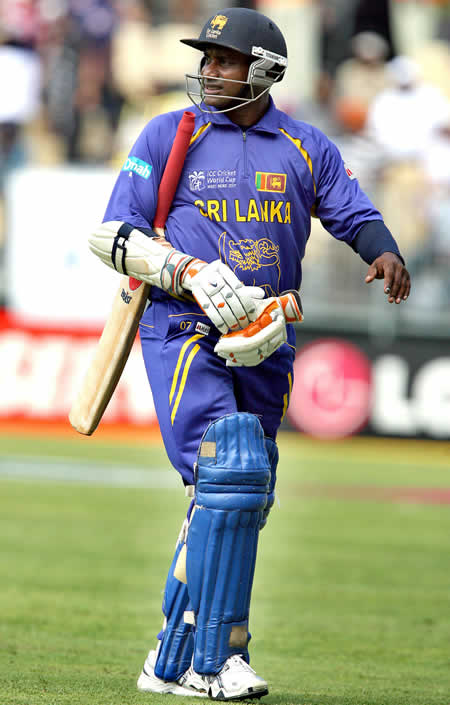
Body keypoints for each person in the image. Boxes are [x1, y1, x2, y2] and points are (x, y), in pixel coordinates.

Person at [88, 7, 410, 700]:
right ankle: (218, 660)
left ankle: (167, 661)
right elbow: (113, 232)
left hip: (267, 334)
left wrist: (382, 249)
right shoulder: (169, 133)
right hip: (182, 326)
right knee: (229, 467)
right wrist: (186, 272)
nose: (208, 69)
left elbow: (349, 209)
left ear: (264, 70)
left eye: (224, 60)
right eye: (206, 57)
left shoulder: (303, 145)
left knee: (240, 494)